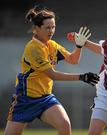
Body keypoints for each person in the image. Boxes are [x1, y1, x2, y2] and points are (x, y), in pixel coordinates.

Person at [4, 7, 99, 135]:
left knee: (64, 125)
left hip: (45, 98)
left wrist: (79, 45)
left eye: (53, 27)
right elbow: (52, 75)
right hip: (25, 100)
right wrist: (82, 77)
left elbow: (73, 60)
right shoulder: (33, 48)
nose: (51, 31)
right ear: (37, 28)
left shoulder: (52, 45)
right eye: (47, 28)